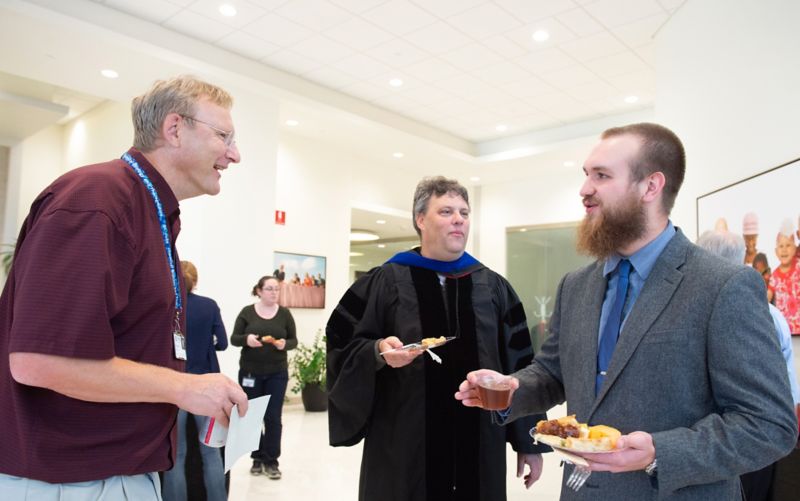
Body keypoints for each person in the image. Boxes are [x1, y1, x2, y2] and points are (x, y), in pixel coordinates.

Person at [456, 123, 797, 500]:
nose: (585, 190)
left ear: (651, 187)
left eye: (601, 176)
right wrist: (510, 389)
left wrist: (659, 453)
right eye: (587, 175)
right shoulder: (576, 285)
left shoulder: (722, 286)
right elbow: (553, 372)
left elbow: (769, 425)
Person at [0, 76, 248, 499]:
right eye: (223, 136)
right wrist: (184, 387)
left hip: (116, 472)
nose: (234, 154)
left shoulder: (151, 212)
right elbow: (38, 360)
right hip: (70, 480)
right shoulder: (97, 200)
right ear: (174, 129)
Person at [327, 176, 549, 501]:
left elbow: (519, 364)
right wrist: (376, 351)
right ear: (420, 219)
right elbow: (340, 342)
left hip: (479, 442)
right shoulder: (385, 282)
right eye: (446, 211)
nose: (458, 219)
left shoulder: (494, 287)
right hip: (405, 445)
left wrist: (528, 443)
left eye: (464, 212)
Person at [696, 229, 800, 501]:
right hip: (761, 440)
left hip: (730, 442)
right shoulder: (773, 315)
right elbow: (789, 390)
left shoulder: (722, 311)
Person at [163, 261, 229, 501]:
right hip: (206, 388)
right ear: (196, 280)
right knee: (211, 454)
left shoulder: (168, 307)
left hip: (175, 386)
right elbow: (222, 343)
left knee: (176, 455)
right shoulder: (209, 306)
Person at [230, 275, 297, 480]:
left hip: (277, 372)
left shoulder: (284, 314)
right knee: (252, 416)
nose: (274, 292)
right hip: (250, 372)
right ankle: (257, 458)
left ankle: (272, 460)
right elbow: (234, 339)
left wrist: (284, 344)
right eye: (269, 289)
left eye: (277, 289)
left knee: (273, 417)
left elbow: (293, 340)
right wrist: (247, 340)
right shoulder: (247, 313)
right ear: (259, 291)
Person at [768, 220, 800, 334]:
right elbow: (768, 296)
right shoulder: (774, 276)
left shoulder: (798, 267)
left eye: (788, 245)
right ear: (776, 252)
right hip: (785, 329)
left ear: (795, 249)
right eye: (781, 246)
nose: (784, 249)